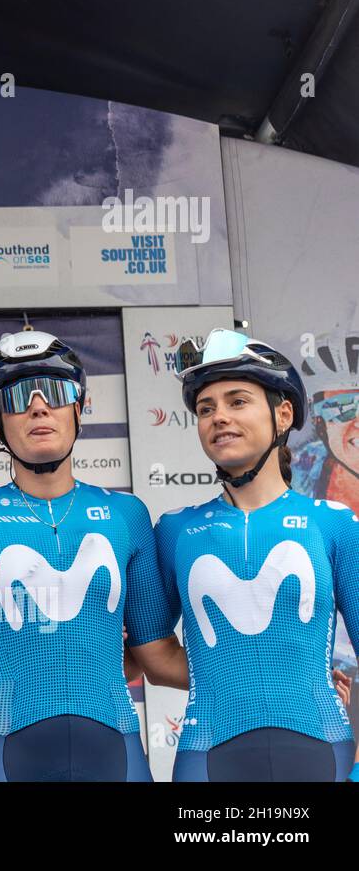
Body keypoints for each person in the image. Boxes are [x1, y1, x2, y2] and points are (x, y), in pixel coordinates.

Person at [0, 330, 187, 781]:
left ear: (79, 407)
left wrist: (283, 676)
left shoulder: (127, 515)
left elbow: (154, 658)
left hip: (114, 747)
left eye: (56, 391)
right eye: (18, 396)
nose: (39, 406)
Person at [152, 328, 359, 781]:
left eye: (237, 401)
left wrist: (302, 675)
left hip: (319, 745)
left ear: (282, 415)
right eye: (206, 408)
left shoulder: (334, 523)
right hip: (208, 748)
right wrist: (246, 668)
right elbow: (149, 652)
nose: (219, 417)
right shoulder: (173, 530)